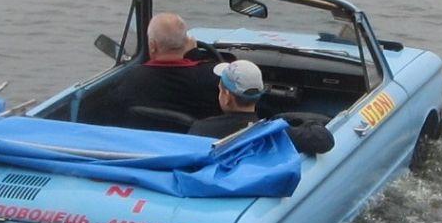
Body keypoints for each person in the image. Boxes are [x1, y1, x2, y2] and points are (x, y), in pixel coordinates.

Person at [190, 60, 334, 154]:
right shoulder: (274, 133)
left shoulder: (200, 129)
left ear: (226, 96)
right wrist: (289, 120)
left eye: (220, 89)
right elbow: (324, 140)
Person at [116, 12, 221, 127]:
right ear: (186, 42)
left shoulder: (131, 79)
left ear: (152, 46)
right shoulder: (209, 77)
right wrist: (194, 55)